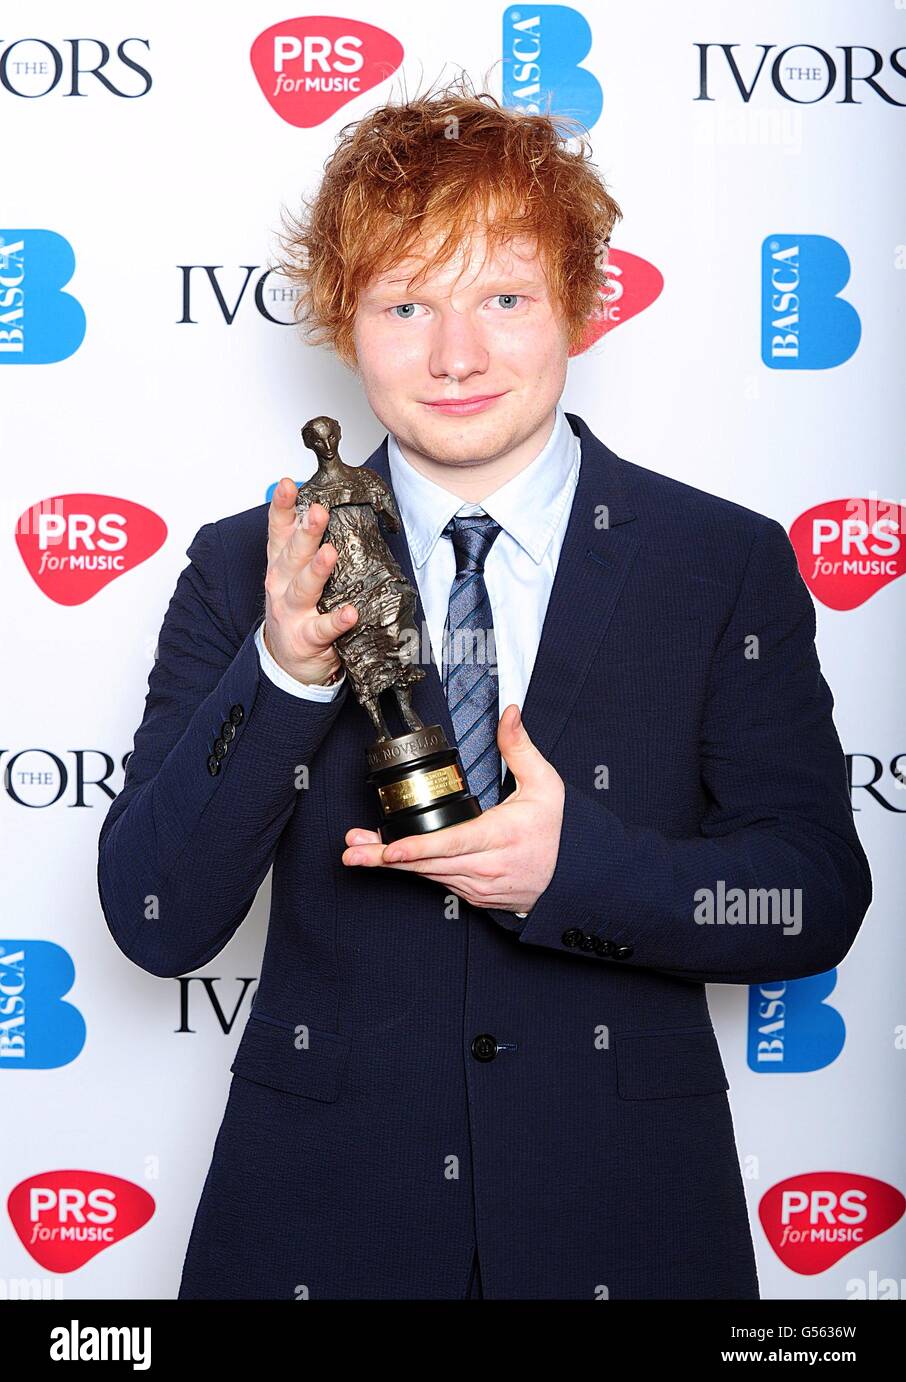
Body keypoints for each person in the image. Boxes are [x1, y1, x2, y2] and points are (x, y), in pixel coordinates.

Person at [97, 76, 871, 1300]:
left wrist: (582, 870)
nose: (456, 355)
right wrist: (288, 674)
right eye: (406, 304)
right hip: (316, 1235)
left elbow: (804, 903)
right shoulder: (248, 564)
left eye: (503, 297)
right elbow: (154, 917)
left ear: (579, 304)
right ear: (345, 325)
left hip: (627, 1226)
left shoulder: (719, 562)